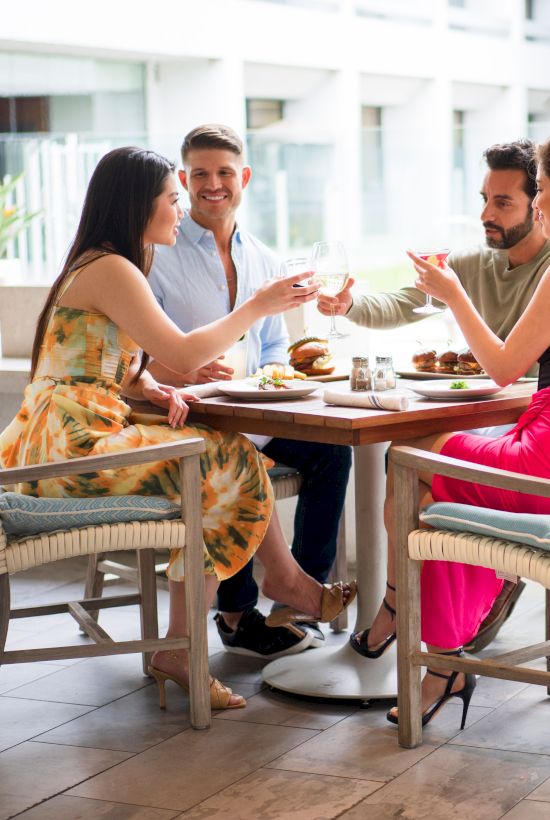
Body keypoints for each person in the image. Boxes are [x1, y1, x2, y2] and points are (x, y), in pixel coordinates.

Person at [0, 146, 356, 711]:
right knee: (222, 459)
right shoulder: (113, 267)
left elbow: (93, 355)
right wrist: (258, 307)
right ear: (140, 205)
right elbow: (186, 354)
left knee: (220, 455)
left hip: (60, 431)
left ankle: (208, 628)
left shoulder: (107, 262)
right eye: (173, 198)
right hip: (73, 449)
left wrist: (144, 386)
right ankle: (271, 590)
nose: (181, 210)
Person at [320, 139, 550, 651]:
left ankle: (426, 617)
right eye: (484, 199)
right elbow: (401, 303)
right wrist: (349, 301)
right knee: (409, 474)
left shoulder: (549, 268)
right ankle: (441, 625)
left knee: (410, 467)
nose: (486, 214)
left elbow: (511, 366)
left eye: (504, 202)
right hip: (497, 417)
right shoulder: (473, 262)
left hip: (528, 423)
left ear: (539, 204)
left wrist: (455, 297)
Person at [147, 124, 352, 660]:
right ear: (184, 179)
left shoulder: (262, 256)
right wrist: (183, 372)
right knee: (237, 465)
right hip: (192, 418)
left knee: (333, 450)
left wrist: (275, 379)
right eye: (199, 175)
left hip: (255, 412)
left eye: (223, 173)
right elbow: (140, 353)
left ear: (245, 177)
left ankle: (299, 593)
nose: (212, 185)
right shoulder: (158, 253)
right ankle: (237, 615)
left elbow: (274, 348)